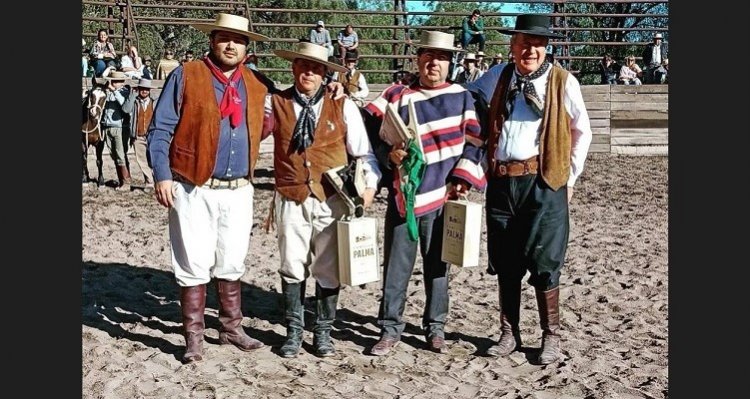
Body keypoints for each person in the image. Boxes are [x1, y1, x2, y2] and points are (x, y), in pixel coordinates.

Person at [464, 14, 593, 364]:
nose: (529, 50)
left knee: (545, 260)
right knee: (505, 259)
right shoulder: (497, 76)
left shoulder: (562, 81)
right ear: (513, 45)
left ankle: (551, 336)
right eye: (523, 42)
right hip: (502, 183)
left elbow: (583, 131)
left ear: (545, 47)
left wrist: (569, 178)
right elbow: (464, 100)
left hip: (544, 181)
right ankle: (509, 333)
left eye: (536, 44)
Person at [146, 12, 273, 364]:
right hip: (192, 186)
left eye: (238, 40)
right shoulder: (186, 75)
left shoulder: (257, 84)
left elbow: (281, 113)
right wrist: (162, 174)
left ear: (247, 46)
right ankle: (194, 337)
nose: (231, 45)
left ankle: (231, 327)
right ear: (212, 40)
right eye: (224, 38)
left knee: (232, 259)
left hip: (239, 188)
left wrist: (337, 86)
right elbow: (160, 130)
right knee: (192, 261)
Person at [363, 31, 486, 356]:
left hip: (444, 196)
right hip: (406, 194)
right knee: (396, 267)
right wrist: (388, 155)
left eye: (441, 57)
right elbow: (369, 129)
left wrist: (462, 178)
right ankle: (390, 329)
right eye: (428, 56)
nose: (434, 63)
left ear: (450, 63)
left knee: (438, 266)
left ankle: (435, 328)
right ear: (418, 59)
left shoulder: (461, 97)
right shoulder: (398, 95)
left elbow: (475, 142)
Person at [265, 41, 381, 358]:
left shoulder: (342, 106)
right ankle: (293, 331)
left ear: (325, 73)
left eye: (315, 68)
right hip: (291, 195)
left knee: (328, 266)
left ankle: (323, 331)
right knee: (291, 264)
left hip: (332, 197)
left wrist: (368, 188)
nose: (308, 73)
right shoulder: (276, 102)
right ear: (294, 68)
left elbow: (364, 153)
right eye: (303, 66)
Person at [100, 71, 132, 190]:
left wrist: (114, 91)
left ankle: (126, 181)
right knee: (114, 154)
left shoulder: (125, 92)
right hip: (108, 125)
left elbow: (125, 106)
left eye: (117, 81)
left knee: (120, 153)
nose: (115, 83)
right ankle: (121, 180)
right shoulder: (109, 93)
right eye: (113, 81)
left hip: (120, 127)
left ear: (122, 82)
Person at [122, 78, 156, 191]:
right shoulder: (134, 101)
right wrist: (132, 95)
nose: (144, 91)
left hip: (152, 136)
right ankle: (149, 182)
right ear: (138, 89)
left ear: (150, 90)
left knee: (154, 159)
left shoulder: (154, 102)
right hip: (138, 135)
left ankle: (156, 180)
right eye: (142, 89)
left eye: (146, 89)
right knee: (142, 160)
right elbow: (126, 110)